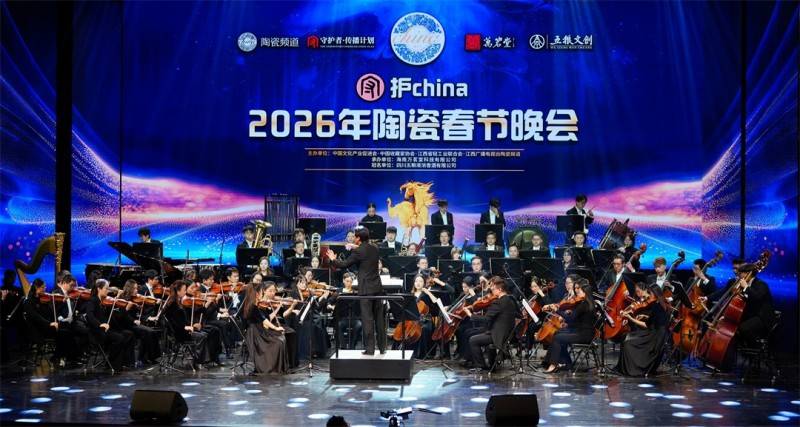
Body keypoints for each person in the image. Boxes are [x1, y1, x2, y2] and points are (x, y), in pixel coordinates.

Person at [326, 227, 386, 356]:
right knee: (379, 319)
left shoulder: (358, 251)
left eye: (355, 237)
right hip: (377, 288)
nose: (353, 239)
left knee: (367, 319)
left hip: (366, 290)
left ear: (358, 238)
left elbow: (344, 264)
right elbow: (365, 250)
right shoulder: (375, 248)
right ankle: (382, 347)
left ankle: (370, 349)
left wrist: (333, 259)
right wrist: (355, 246)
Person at [462, 277, 518, 372]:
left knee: (473, 340)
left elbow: (486, 319)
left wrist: (470, 315)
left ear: (500, 289)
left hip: (498, 335)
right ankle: (490, 365)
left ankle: (480, 366)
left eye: (493, 289)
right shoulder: (510, 299)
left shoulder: (498, 303)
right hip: (507, 333)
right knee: (475, 334)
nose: (492, 291)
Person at [164, 280, 222, 366]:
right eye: (184, 290)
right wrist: (189, 326)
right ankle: (201, 361)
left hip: (184, 328)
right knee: (203, 335)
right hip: (179, 333)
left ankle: (213, 357)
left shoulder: (178, 301)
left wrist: (192, 325)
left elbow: (184, 319)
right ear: (178, 291)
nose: (185, 292)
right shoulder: (173, 304)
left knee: (214, 330)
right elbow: (175, 322)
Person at [614, 283, 668, 376]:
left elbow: (646, 325)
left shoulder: (656, 306)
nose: (648, 296)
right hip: (658, 334)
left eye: (650, 293)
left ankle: (631, 369)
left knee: (627, 342)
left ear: (655, 294)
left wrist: (630, 318)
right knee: (626, 337)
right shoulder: (661, 304)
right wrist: (645, 316)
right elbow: (656, 319)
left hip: (654, 337)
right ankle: (623, 367)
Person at [542, 280, 596, 373]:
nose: (576, 291)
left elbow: (570, 319)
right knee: (557, 333)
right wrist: (569, 312)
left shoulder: (584, 304)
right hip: (583, 332)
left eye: (579, 289)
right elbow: (576, 318)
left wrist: (557, 311)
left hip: (584, 335)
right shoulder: (586, 303)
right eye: (576, 289)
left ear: (585, 291)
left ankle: (553, 365)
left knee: (558, 338)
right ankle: (566, 363)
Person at [83, 279, 135, 371]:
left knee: (128, 334)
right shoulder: (93, 301)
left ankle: (124, 362)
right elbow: (90, 316)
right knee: (119, 338)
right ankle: (112, 364)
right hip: (96, 332)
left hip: (104, 330)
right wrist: (100, 325)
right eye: (106, 288)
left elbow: (109, 317)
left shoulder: (103, 301)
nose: (108, 291)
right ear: (99, 289)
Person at [242, 282, 288, 374]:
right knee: (278, 342)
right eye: (261, 292)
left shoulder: (255, 305)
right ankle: (269, 367)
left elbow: (265, 319)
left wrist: (277, 308)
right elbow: (264, 320)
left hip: (259, 330)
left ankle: (276, 366)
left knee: (281, 340)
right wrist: (275, 328)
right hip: (254, 334)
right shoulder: (252, 307)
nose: (262, 294)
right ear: (256, 294)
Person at [731, 263, 776, 346]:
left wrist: (746, 287)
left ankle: (756, 346)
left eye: (741, 273)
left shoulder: (761, 284)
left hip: (762, 317)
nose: (739, 276)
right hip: (752, 315)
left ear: (748, 273)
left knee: (743, 328)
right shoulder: (746, 285)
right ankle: (742, 348)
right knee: (733, 325)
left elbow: (756, 297)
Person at [118, 279, 162, 365]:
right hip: (126, 324)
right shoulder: (123, 299)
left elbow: (139, 314)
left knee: (151, 332)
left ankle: (146, 357)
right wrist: (133, 319)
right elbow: (122, 316)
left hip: (134, 323)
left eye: (136, 288)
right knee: (149, 332)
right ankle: (150, 358)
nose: (136, 290)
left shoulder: (135, 299)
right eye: (134, 288)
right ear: (129, 288)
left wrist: (147, 318)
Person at [329, 273, 362, 350]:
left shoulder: (356, 292)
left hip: (354, 318)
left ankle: (352, 346)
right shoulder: (338, 291)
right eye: (347, 281)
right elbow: (329, 302)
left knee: (359, 325)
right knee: (338, 325)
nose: (349, 283)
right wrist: (331, 306)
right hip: (342, 318)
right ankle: (343, 346)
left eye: (351, 282)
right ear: (343, 281)